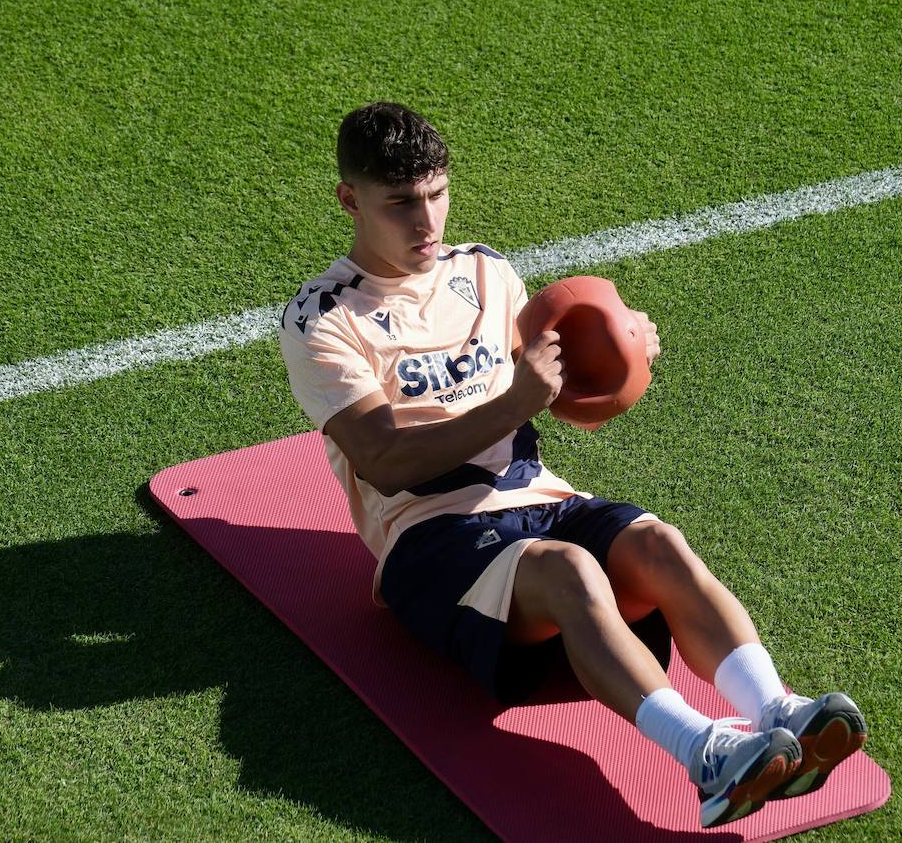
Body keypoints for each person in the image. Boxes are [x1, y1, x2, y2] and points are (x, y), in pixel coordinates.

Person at [278, 102, 867, 828]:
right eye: (400, 203)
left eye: (436, 195)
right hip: (430, 537)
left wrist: (623, 353)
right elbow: (386, 460)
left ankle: (782, 714)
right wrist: (512, 402)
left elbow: (563, 396)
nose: (426, 222)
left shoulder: (485, 271)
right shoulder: (326, 316)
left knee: (660, 544)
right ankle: (708, 756)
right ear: (350, 200)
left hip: (539, 497)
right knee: (570, 572)